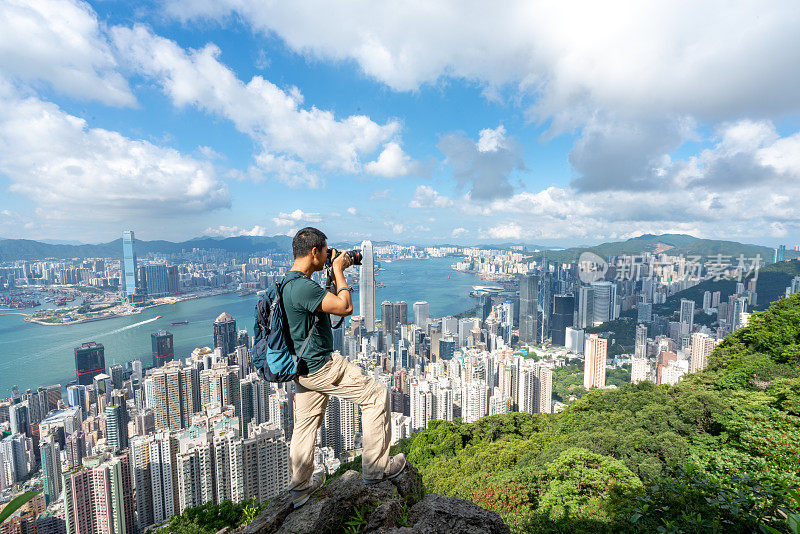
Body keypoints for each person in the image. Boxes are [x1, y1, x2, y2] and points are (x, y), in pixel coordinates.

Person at [282, 227, 406, 508]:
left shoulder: (288, 283)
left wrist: (333, 271)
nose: (328, 255)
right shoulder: (302, 286)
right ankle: (376, 470)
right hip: (321, 366)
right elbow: (345, 307)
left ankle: (300, 488)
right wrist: (339, 270)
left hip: (302, 368)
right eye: (325, 251)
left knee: (305, 425)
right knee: (375, 395)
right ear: (315, 252)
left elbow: (319, 307)